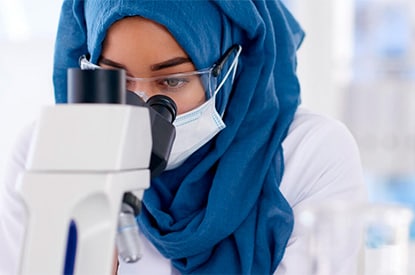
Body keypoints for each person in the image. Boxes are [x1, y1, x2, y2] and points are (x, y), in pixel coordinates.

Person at [0, 0, 367, 274]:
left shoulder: (313, 154)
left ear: (230, 69)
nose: (140, 108)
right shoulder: (43, 156)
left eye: (171, 81)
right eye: (117, 79)